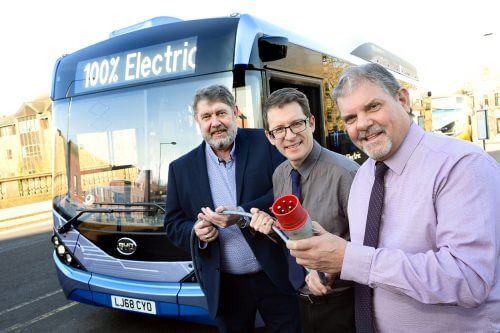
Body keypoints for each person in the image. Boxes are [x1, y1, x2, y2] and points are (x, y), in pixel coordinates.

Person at [286, 63, 500, 332]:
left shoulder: (462, 166)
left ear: (403, 100)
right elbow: (375, 258)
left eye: (373, 106)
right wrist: (335, 263)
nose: (362, 124)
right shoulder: (363, 177)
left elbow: (468, 280)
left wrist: (350, 259)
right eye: (350, 118)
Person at [164, 85, 301, 333]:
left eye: (221, 113)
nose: (215, 122)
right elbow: (173, 224)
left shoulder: (266, 141)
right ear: (197, 121)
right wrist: (196, 232)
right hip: (225, 285)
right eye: (206, 116)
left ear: (235, 112)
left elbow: (288, 189)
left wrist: (241, 214)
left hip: (274, 274)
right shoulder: (180, 169)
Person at [250, 88, 359, 333]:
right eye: (279, 129)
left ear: (310, 123)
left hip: (342, 304)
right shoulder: (280, 174)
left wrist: (331, 269)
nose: (289, 136)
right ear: (269, 136)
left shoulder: (346, 173)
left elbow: (371, 244)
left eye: (296, 124)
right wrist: (271, 227)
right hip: (298, 299)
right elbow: (292, 235)